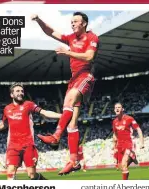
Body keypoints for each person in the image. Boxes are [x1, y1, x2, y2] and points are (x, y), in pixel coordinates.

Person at [31, 12, 99, 175]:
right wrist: (39, 20)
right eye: (71, 22)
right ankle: (74, 161)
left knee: (70, 97)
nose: (73, 24)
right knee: (72, 123)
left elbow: (89, 57)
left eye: (75, 21)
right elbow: (51, 31)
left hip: (85, 76)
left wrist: (67, 52)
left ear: (84, 23)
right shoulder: (70, 38)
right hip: (73, 79)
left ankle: (56, 136)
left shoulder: (92, 38)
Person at [0, 83, 62, 180]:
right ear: (11, 95)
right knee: (10, 173)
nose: (21, 93)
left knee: (32, 175)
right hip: (13, 146)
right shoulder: (7, 109)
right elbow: (4, 124)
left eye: (22, 91)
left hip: (28, 145)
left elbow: (44, 112)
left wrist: (62, 115)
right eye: (17, 91)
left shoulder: (28, 105)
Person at [112, 102, 144, 180]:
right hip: (120, 145)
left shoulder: (129, 119)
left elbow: (138, 129)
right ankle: (132, 156)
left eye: (119, 107)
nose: (117, 108)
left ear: (122, 109)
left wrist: (142, 142)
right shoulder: (114, 122)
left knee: (124, 164)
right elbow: (115, 135)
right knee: (121, 167)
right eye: (115, 107)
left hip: (128, 144)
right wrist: (114, 147)